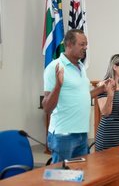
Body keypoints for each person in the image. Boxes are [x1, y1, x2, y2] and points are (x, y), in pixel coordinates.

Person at [42, 29, 110, 163]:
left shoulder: (81, 67)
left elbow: (85, 95)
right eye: (82, 44)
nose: (85, 48)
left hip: (82, 132)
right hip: (64, 134)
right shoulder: (54, 67)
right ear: (69, 44)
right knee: (61, 179)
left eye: (86, 45)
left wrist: (103, 88)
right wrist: (58, 86)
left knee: (80, 175)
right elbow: (46, 107)